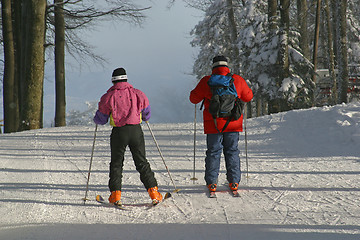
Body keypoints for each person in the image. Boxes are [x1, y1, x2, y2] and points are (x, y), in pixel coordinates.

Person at [93, 67, 163, 205]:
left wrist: (97, 119)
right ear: (126, 79)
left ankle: (115, 196)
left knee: (116, 163)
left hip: (119, 132)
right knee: (142, 162)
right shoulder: (138, 93)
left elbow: (102, 119)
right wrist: (144, 117)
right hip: (136, 131)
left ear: (113, 81)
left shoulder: (109, 96)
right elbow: (147, 112)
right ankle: (154, 192)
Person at [189, 56, 253, 193]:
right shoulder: (237, 80)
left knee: (213, 152)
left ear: (213, 67)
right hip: (233, 123)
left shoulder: (207, 81)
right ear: (227, 66)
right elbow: (248, 96)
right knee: (232, 151)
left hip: (213, 124)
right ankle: (234, 182)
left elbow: (193, 98)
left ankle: (212, 183)